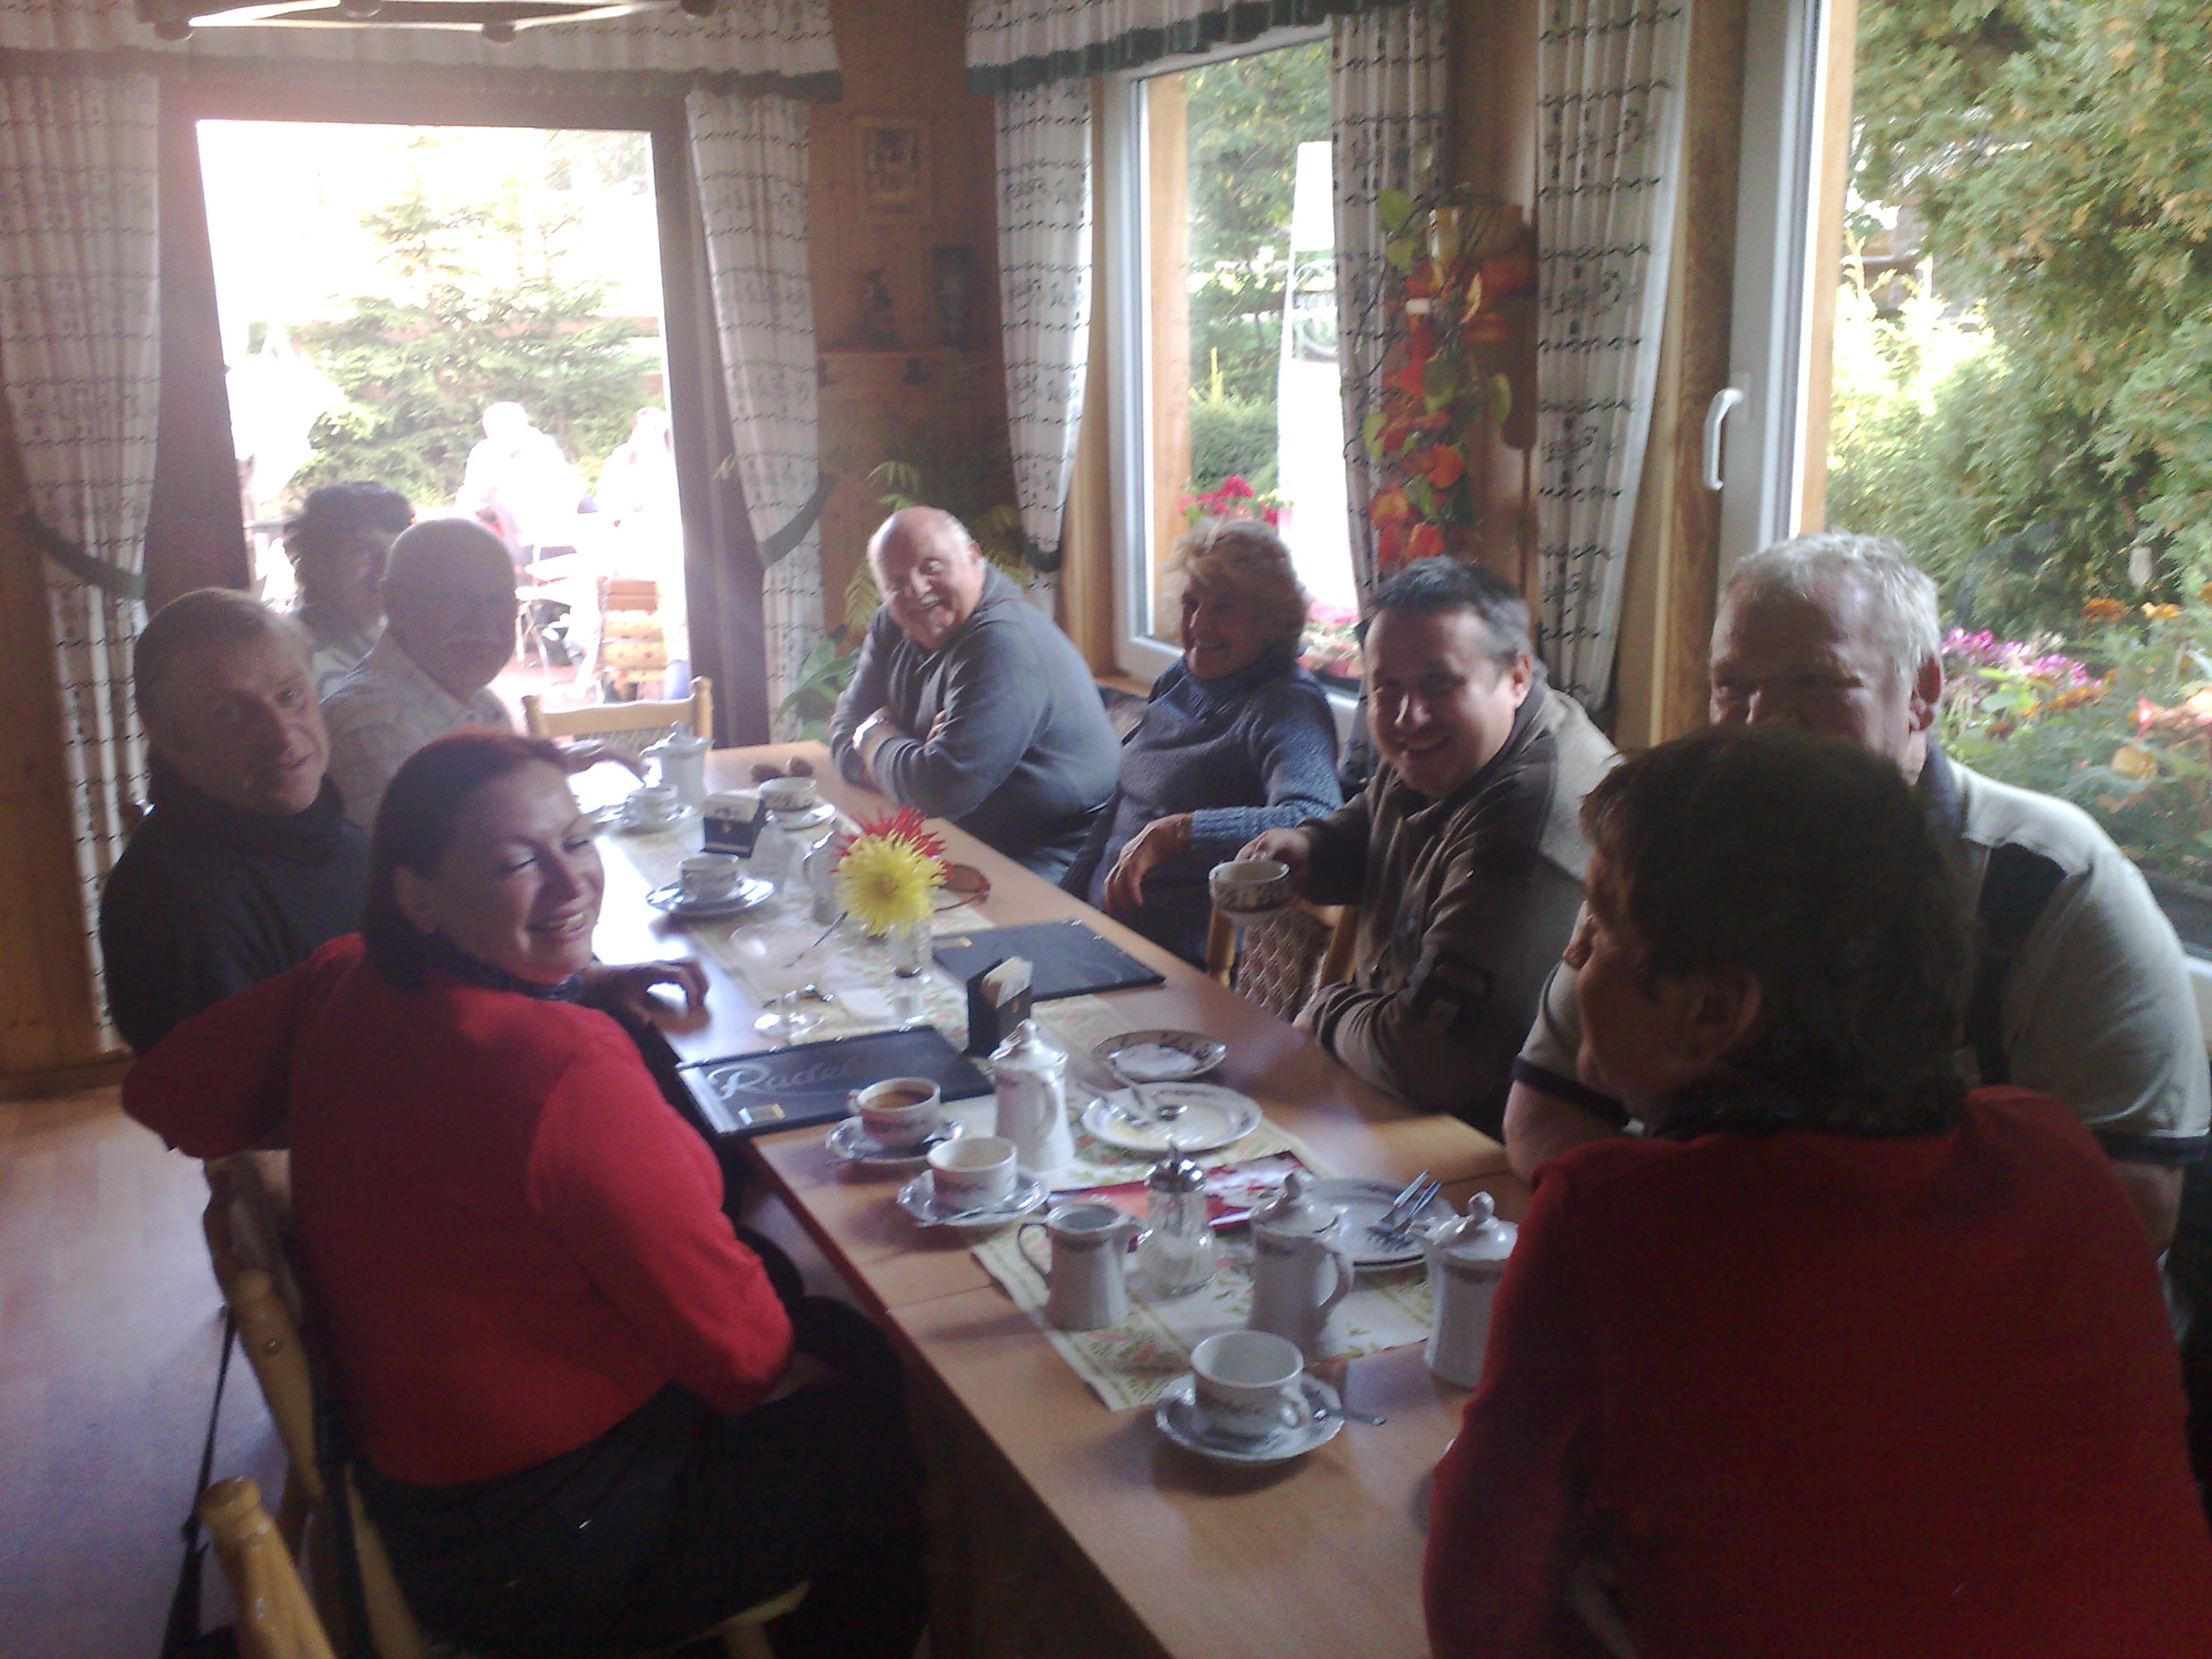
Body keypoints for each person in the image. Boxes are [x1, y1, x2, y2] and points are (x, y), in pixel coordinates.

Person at [121, 732, 928, 1659]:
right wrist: (803, 1384)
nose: (570, 879)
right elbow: (743, 1360)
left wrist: (558, 994)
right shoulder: (563, 1073)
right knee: (871, 1412)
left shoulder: (348, 972)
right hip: (543, 1550)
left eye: (576, 841)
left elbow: (166, 1094)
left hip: (413, 1481)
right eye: (516, 862)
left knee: (790, 1292)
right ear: (418, 895)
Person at [1424, 725, 2212, 1659]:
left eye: (1598, 928)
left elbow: (1481, 1608)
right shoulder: (2058, 1156)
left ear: (1710, 1014)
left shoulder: (1617, 1221)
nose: (1574, 958)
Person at [1505, 533, 2209, 1252]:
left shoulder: (2050, 884)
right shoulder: (1671, 856)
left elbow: (2139, 1200)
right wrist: (1719, 1260)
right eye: (1733, 685)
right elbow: (1544, 1113)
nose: (1762, 721)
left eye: (1818, 682)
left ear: (1922, 693)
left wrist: (1807, 1268)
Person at [1239, 557, 1615, 1135]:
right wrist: (1311, 848)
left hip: (1482, 1147)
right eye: (1386, 686)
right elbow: (1379, 815)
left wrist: (1327, 1009)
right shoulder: (1449, 746)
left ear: (1517, 677)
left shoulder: (1528, 816)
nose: (1408, 715)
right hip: (1395, 1104)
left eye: (1440, 683)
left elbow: (1431, 1062)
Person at [99, 589, 368, 1053]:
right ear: (166, 734)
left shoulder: (344, 842)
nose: (281, 734)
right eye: (231, 712)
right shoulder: (175, 905)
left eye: (289, 695)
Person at [1062, 519, 1341, 965]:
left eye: (1224, 608)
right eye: (1191, 603)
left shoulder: (1287, 704)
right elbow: (1124, 803)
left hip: (1183, 963)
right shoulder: (1180, 678)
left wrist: (1181, 831)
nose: (1198, 624)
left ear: (1270, 622)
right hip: (1098, 935)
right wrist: (1066, 901)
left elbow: (1315, 816)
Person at [830, 507, 1120, 878]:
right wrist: (910, 767)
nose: (916, 589)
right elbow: (843, 734)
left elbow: (940, 790)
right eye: (896, 582)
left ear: (972, 557)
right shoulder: (892, 623)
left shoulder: (1003, 641)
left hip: (1052, 855)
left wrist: (874, 739)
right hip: (957, 835)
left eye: (931, 567)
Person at [323, 518, 517, 832]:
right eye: (457, 598)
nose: (484, 620)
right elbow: (434, 862)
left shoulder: (480, 703)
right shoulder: (378, 726)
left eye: (500, 600)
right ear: (394, 603)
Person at [283, 480, 413, 697]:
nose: (385, 569)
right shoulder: (290, 656)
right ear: (314, 561)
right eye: (362, 552)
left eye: (397, 551)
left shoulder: (413, 637)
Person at [457, 401, 585, 568]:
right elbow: (576, 490)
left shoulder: (485, 452)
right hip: (569, 543)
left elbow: (478, 502)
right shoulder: (546, 444)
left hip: (526, 547)